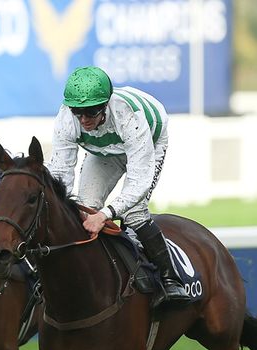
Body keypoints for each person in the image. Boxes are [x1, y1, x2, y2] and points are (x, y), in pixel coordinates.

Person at [46, 65, 190, 306]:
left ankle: (170, 279)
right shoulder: (65, 120)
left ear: (105, 105)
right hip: (104, 152)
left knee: (134, 212)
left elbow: (138, 181)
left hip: (148, 143)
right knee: (85, 209)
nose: (84, 120)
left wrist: (106, 215)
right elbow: (61, 173)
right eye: (77, 112)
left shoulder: (128, 115)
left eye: (90, 112)